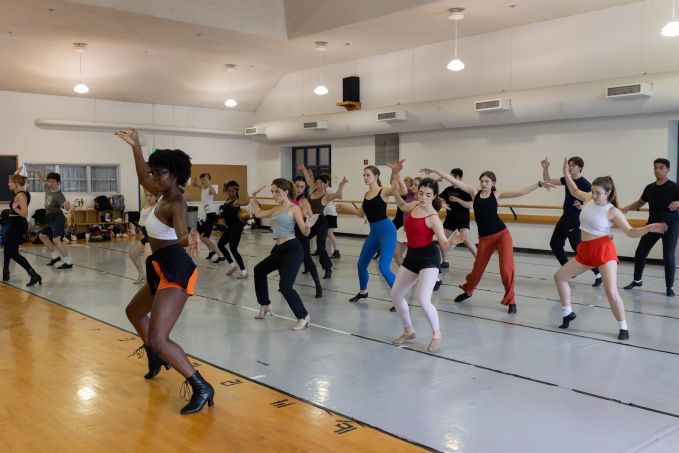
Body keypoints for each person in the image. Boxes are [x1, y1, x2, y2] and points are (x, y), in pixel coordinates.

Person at [115, 128, 213, 415]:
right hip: (159, 266)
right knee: (134, 312)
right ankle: (156, 356)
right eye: (155, 172)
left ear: (176, 174)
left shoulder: (177, 202)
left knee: (159, 335)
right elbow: (141, 175)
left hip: (175, 269)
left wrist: (190, 238)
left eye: (160, 173)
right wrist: (135, 147)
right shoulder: (160, 192)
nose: (154, 177)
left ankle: (200, 386)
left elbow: (182, 233)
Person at [554, 159, 667, 340]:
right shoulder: (589, 199)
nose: (594, 195)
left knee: (611, 292)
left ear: (608, 193)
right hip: (585, 250)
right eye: (593, 191)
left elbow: (630, 232)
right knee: (560, 277)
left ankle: (623, 327)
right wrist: (567, 174)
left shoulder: (613, 211)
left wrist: (649, 227)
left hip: (603, 251)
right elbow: (574, 190)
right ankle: (567, 313)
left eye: (598, 193)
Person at [423, 167, 555, 314]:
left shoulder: (497, 194)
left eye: (487, 181)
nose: (484, 183)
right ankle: (468, 290)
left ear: (493, 183)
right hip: (485, 238)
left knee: (506, 268)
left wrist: (539, 183)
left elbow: (521, 191)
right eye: (482, 181)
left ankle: (511, 300)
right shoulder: (474, 193)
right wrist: (435, 170)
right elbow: (452, 180)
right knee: (477, 270)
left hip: (502, 235)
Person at [389, 167, 464, 352]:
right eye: (421, 193)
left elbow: (444, 246)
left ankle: (437, 334)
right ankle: (409, 331)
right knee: (396, 294)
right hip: (412, 256)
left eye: (428, 195)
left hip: (429, 258)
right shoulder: (413, 205)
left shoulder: (433, 218)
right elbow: (401, 205)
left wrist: (453, 242)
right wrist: (395, 186)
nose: (423, 197)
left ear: (434, 196)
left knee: (423, 300)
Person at [250, 179, 318, 330]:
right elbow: (258, 213)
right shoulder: (276, 209)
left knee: (285, 286)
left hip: (293, 249)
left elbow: (304, 232)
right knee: (259, 270)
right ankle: (265, 305)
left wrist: (308, 225)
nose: (273, 194)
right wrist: (253, 197)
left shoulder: (294, 208)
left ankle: (304, 316)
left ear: (285, 192)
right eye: (272, 191)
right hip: (280, 249)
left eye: (276, 191)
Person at [342, 164, 403, 307]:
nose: (365, 177)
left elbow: (400, 190)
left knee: (383, 267)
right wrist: (346, 207)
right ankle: (363, 291)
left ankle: (399, 298)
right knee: (361, 264)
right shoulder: (366, 195)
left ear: (376, 177)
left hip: (387, 231)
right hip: (374, 233)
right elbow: (361, 214)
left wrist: (395, 173)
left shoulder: (384, 191)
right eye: (363, 175)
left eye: (368, 175)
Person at [621, 158, 679, 297]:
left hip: (671, 225)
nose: (658, 170)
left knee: (668, 256)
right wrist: (628, 207)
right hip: (652, 225)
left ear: (668, 170)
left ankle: (669, 287)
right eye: (656, 167)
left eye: (661, 167)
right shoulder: (650, 188)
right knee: (640, 252)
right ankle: (637, 280)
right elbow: (640, 202)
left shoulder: (674, 187)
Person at [541, 156, 602, 287]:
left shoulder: (586, 184)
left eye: (573, 165)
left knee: (578, 248)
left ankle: (598, 273)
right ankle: (569, 271)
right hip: (565, 216)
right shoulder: (567, 180)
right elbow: (548, 180)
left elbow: (593, 203)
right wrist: (545, 169)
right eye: (569, 165)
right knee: (555, 243)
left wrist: (582, 207)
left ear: (580, 167)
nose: (570, 167)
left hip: (575, 218)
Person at [297, 165, 347, 279]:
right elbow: (309, 180)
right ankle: (308, 265)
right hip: (310, 222)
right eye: (317, 182)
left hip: (321, 222)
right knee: (302, 241)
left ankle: (327, 267)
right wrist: (304, 169)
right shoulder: (313, 189)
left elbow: (338, 195)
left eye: (321, 183)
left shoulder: (326, 196)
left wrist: (341, 185)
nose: (318, 185)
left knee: (320, 247)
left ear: (325, 184)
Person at [3, 171, 42, 286]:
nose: (8, 184)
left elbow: (25, 213)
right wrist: (15, 173)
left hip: (17, 224)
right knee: (7, 247)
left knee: (13, 252)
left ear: (16, 184)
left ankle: (33, 274)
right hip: (15, 223)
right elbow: (17, 181)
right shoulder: (21, 193)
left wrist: (14, 208)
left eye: (10, 182)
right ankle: (6, 271)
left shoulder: (21, 195)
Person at [31, 169, 72, 269]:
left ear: (58, 183)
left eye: (53, 181)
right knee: (42, 236)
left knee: (56, 240)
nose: (50, 183)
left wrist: (67, 204)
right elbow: (42, 181)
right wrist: (39, 173)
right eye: (49, 181)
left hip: (57, 217)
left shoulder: (59, 195)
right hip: (49, 218)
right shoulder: (47, 188)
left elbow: (66, 207)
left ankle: (68, 262)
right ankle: (55, 257)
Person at [438, 168, 477, 268]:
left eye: (452, 176)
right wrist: (441, 201)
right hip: (450, 219)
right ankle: (445, 261)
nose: (450, 178)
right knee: (441, 239)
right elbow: (439, 197)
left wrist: (457, 200)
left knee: (466, 240)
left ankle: (479, 260)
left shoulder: (465, 190)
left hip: (462, 219)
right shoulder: (448, 189)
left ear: (458, 177)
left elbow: (471, 205)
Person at [293, 176, 323, 298]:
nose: (299, 189)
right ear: (293, 185)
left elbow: (311, 216)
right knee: (278, 254)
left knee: (307, 258)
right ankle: (285, 283)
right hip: (288, 232)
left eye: (302, 187)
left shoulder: (304, 202)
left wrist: (310, 218)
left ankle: (318, 285)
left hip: (301, 232)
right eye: (297, 186)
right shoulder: (287, 198)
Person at [218, 180, 249, 279]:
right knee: (220, 245)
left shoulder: (236, 201)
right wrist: (225, 185)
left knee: (233, 248)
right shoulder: (228, 199)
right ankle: (233, 266)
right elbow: (224, 190)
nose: (231, 193)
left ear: (236, 191)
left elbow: (247, 202)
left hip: (236, 227)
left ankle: (244, 272)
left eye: (233, 191)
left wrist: (245, 189)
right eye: (229, 191)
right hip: (230, 227)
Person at [191, 173, 224, 262]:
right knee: (199, 233)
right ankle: (211, 251)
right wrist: (194, 180)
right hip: (208, 216)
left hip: (212, 216)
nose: (202, 181)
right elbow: (193, 185)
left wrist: (207, 181)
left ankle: (220, 255)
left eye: (204, 180)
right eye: (201, 180)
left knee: (205, 237)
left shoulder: (210, 189)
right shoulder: (202, 188)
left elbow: (215, 193)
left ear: (208, 180)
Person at [128, 191, 157, 284]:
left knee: (147, 259)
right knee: (133, 254)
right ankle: (142, 275)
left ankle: (152, 280)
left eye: (151, 196)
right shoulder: (146, 206)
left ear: (156, 197)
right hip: (146, 235)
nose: (148, 198)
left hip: (152, 236)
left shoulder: (156, 208)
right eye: (147, 196)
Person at [322, 174, 341, 259]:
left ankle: (337, 251)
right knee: (320, 232)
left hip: (330, 214)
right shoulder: (321, 190)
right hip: (323, 214)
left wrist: (341, 186)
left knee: (330, 233)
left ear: (327, 182)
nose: (321, 183)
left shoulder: (330, 190)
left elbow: (339, 196)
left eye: (323, 182)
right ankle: (320, 249)